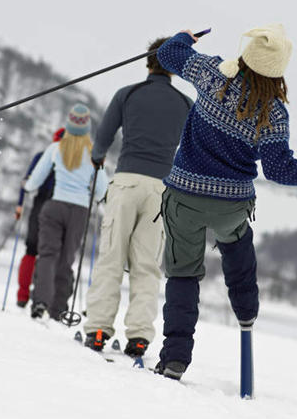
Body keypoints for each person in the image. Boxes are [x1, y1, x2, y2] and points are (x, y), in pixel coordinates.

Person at [152, 25, 297, 380]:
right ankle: (247, 316)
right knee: (238, 248)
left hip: (184, 197)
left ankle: (175, 359)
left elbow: (167, 54)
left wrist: (185, 37)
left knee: (183, 274)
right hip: (231, 205)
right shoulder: (274, 112)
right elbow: (279, 170)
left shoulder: (212, 73)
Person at [82, 38, 192, 356]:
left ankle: (99, 329)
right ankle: (140, 336)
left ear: (148, 61)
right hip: (161, 190)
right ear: (175, 67)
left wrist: (98, 158)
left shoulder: (127, 94)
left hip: (127, 181)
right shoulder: (186, 104)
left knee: (112, 257)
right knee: (147, 265)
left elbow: (103, 136)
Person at [24, 105, 108, 321]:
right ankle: (58, 309)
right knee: (66, 259)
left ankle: (40, 301)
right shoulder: (95, 153)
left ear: (68, 125)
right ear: (88, 128)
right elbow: (101, 190)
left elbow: (34, 181)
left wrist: (26, 186)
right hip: (79, 211)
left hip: (55, 206)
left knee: (47, 255)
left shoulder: (55, 148)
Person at [14, 127, 65, 308]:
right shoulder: (71, 160)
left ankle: (23, 295)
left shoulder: (43, 156)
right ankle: (42, 298)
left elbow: (27, 182)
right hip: (60, 206)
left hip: (40, 204)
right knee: (50, 255)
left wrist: (20, 205)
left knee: (31, 250)